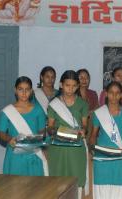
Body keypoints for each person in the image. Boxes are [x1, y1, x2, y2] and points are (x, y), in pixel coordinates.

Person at [89, 81, 122, 199]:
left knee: (118, 189)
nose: (114, 96)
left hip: (120, 157)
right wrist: (92, 149)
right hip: (102, 157)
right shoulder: (99, 113)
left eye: (117, 93)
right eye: (111, 93)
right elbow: (93, 135)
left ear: (121, 95)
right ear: (106, 94)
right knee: (101, 188)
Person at [47, 70, 89, 199]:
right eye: (67, 85)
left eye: (74, 86)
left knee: (75, 181)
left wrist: (83, 131)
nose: (70, 89)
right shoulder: (54, 104)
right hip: (58, 148)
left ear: (77, 86)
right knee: (57, 182)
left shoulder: (83, 104)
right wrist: (60, 132)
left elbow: (85, 126)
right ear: (61, 85)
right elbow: (50, 127)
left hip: (75, 148)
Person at [0, 76, 48, 176]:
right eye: (20, 89)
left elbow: (42, 132)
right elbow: (1, 133)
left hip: (34, 155)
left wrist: (41, 143)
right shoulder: (7, 111)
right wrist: (10, 139)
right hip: (15, 155)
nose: (24, 93)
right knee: (14, 188)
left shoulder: (38, 110)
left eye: (27, 89)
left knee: (35, 188)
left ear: (31, 91)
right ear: (15, 90)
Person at [77, 68, 99, 137]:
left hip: (91, 126)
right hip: (78, 126)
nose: (84, 80)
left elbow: (97, 110)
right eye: (81, 78)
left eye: (87, 78)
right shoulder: (73, 94)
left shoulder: (93, 94)